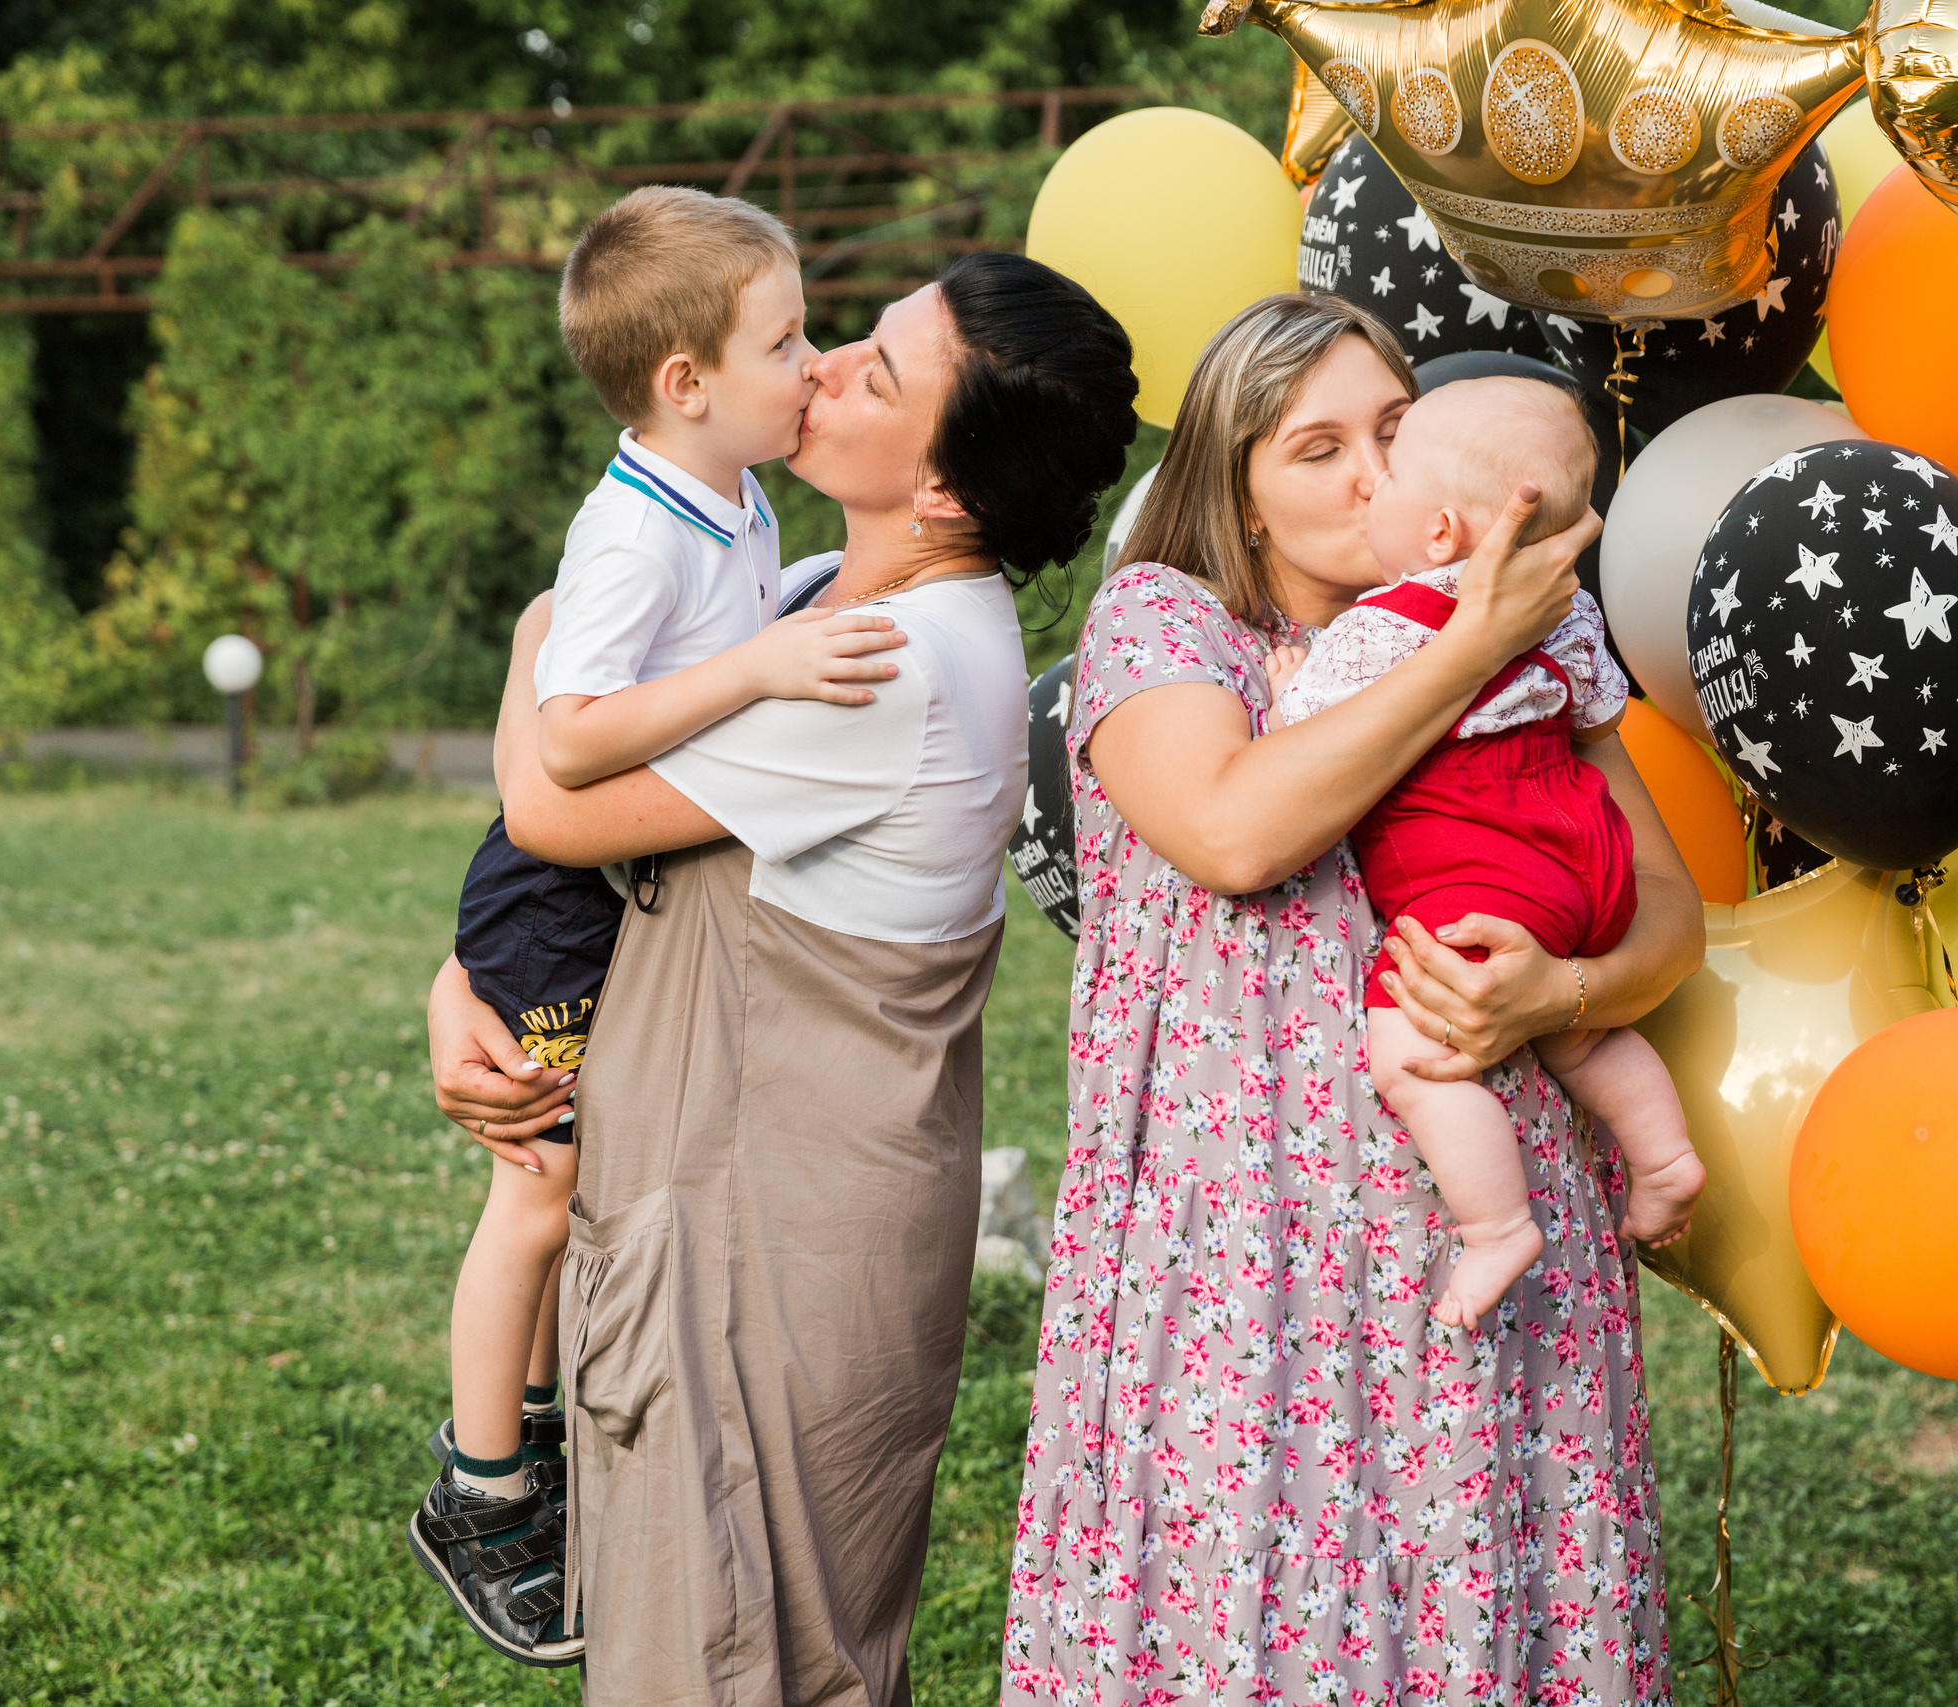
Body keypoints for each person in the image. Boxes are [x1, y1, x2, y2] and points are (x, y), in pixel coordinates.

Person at [428, 251, 1139, 1703]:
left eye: (873, 372)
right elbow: (604, 855)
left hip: (770, 1251)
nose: (816, 370)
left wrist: (537, 632)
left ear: (945, 489)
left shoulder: (889, 663)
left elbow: (557, 803)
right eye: (845, 337)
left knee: (736, 1650)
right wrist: (468, 978)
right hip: (724, 1204)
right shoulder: (813, 590)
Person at [1001, 295, 1705, 1707]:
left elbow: (1674, 918)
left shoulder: (1529, 647)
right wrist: (1460, 643)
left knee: (1486, 1595)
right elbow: (1236, 831)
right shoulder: (1168, 620)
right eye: (1316, 447)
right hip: (1244, 1250)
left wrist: (1555, 992)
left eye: (1393, 429)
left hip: (1482, 1233)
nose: (1374, 473)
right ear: (1240, 492)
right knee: (1243, 1603)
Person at [413, 185, 914, 1669]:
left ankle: (552, 1436)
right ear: (685, 383)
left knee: (598, 1170)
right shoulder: (634, 530)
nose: (815, 363)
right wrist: (762, 668)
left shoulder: (734, 490)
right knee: (544, 1178)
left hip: (608, 883)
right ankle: (483, 1482)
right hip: (556, 894)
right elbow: (566, 741)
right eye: (790, 339)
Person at [1264, 375, 1704, 1332]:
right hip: (1585, 856)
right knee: (1579, 1029)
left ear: (1437, 537)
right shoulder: (1568, 614)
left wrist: (1298, 682)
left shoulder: (1378, 629)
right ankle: (1664, 1155)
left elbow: (1300, 739)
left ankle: (1497, 1224)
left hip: (1478, 868)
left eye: (1390, 465)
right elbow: (1592, 711)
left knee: (1415, 1050)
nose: (1370, 482)